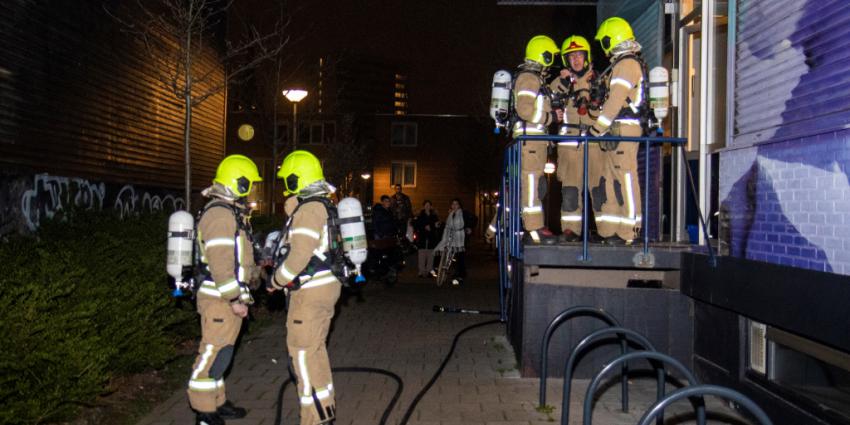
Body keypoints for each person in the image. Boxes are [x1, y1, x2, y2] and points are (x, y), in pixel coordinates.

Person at [188, 154, 262, 425]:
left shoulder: (230, 213)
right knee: (211, 353)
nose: (252, 189)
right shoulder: (219, 215)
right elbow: (221, 264)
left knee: (223, 353)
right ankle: (204, 412)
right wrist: (234, 299)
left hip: (226, 298)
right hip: (219, 298)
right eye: (250, 184)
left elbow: (238, 257)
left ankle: (217, 402)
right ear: (238, 183)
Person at [268, 150, 341, 425]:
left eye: (288, 179)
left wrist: (275, 281)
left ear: (296, 179)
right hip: (323, 289)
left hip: (310, 295)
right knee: (315, 351)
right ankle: (326, 411)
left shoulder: (310, 209)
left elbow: (298, 258)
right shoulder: (321, 205)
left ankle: (314, 419)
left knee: (302, 355)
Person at [589, 17, 648, 245]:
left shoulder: (626, 65)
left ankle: (629, 232)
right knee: (613, 179)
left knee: (625, 177)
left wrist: (597, 128)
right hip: (617, 130)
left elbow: (615, 102)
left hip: (624, 129)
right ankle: (613, 231)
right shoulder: (623, 64)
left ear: (610, 39)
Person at [550, 35, 599, 242]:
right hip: (569, 146)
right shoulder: (562, 82)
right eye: (571, 57)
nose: (576, 60)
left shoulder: (598, 79)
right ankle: (571, 230)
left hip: (595, 143)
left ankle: (606, 231)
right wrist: (561, 81)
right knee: (570, 191)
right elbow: (548, 97)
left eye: (579, 55)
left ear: (586, 57)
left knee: (599, 189)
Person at [513, 35, 561, 244]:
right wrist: (549, 118)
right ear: (543, 54)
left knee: (535, 184)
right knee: (531, 182)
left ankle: (535, 225)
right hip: (530, 141)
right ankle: (534, 229)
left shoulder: (534, 79)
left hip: (535, 142)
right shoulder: (529, 78)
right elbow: (524, 110)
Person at [431, 198, 466, 286]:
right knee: (441, 249)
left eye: (456, 204)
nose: (454, 206)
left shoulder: (462, 213)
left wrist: (467, 229)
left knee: (459, 257)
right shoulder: (450, 214)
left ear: (459, 206)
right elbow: (447, 225)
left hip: (459, 238)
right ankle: (439, 270)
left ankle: (460, 276)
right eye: (453, 204)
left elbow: (462, 224)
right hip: (449, 237)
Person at [413, 200, 439, 277]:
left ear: (431, 206)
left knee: (430, 255)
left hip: (431, 238)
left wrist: (431, 226)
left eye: (429, 205)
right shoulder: (420, 215)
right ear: (423, 206)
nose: (427, 206)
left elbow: (437, 225)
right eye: (426, 205)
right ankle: (421, 271)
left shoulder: (434, 215)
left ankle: (429, 271)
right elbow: (416, 225)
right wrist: (424, 227)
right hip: (422, 237)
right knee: (422, 254)